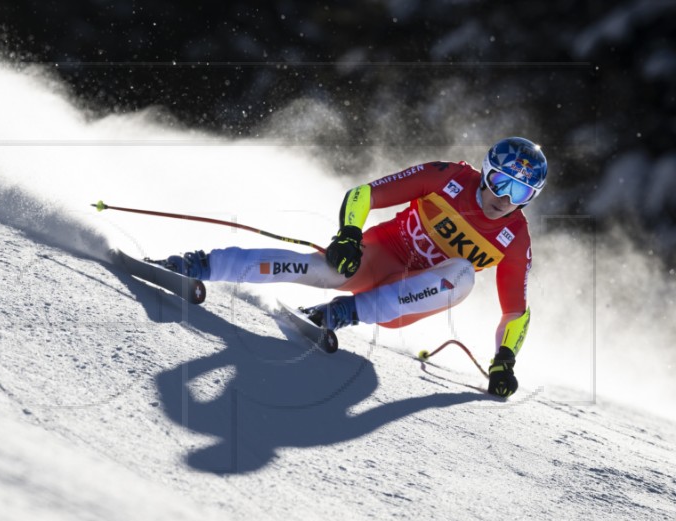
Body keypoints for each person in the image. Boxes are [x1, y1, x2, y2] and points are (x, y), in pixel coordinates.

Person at [163, 137, 547, 398]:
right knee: (325, 271)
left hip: (406, 298)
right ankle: (198, 264)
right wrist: (348, 233)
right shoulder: (448, 177)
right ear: (485, 171)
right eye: (500, 182)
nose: (504, 198)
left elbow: (516, 311)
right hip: (379, 254)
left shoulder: (515, 238)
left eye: (521, 192)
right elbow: (365, 193)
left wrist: (505, 361)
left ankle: (342, 314)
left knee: (463, 274)